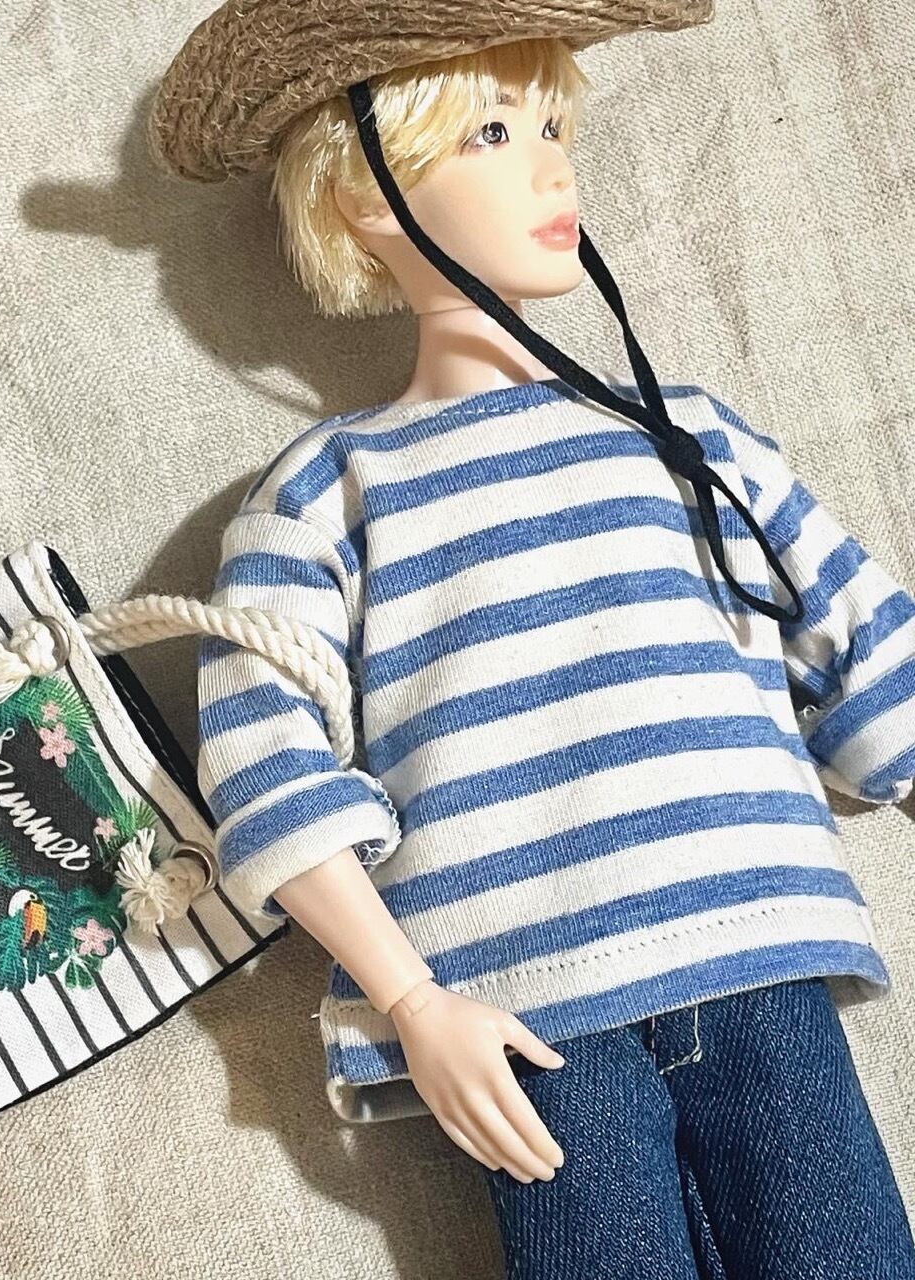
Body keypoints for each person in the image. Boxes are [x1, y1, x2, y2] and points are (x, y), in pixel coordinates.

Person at [148, 6, 915, 1275]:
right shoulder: (327, 489)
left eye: (552, 124)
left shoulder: (686, 435)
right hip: (516, 1016)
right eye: (493, 133)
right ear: (363, 197)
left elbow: (865, 651)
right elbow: (265, 768)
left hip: (754, 942)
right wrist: (410, 999)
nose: (552, 167)